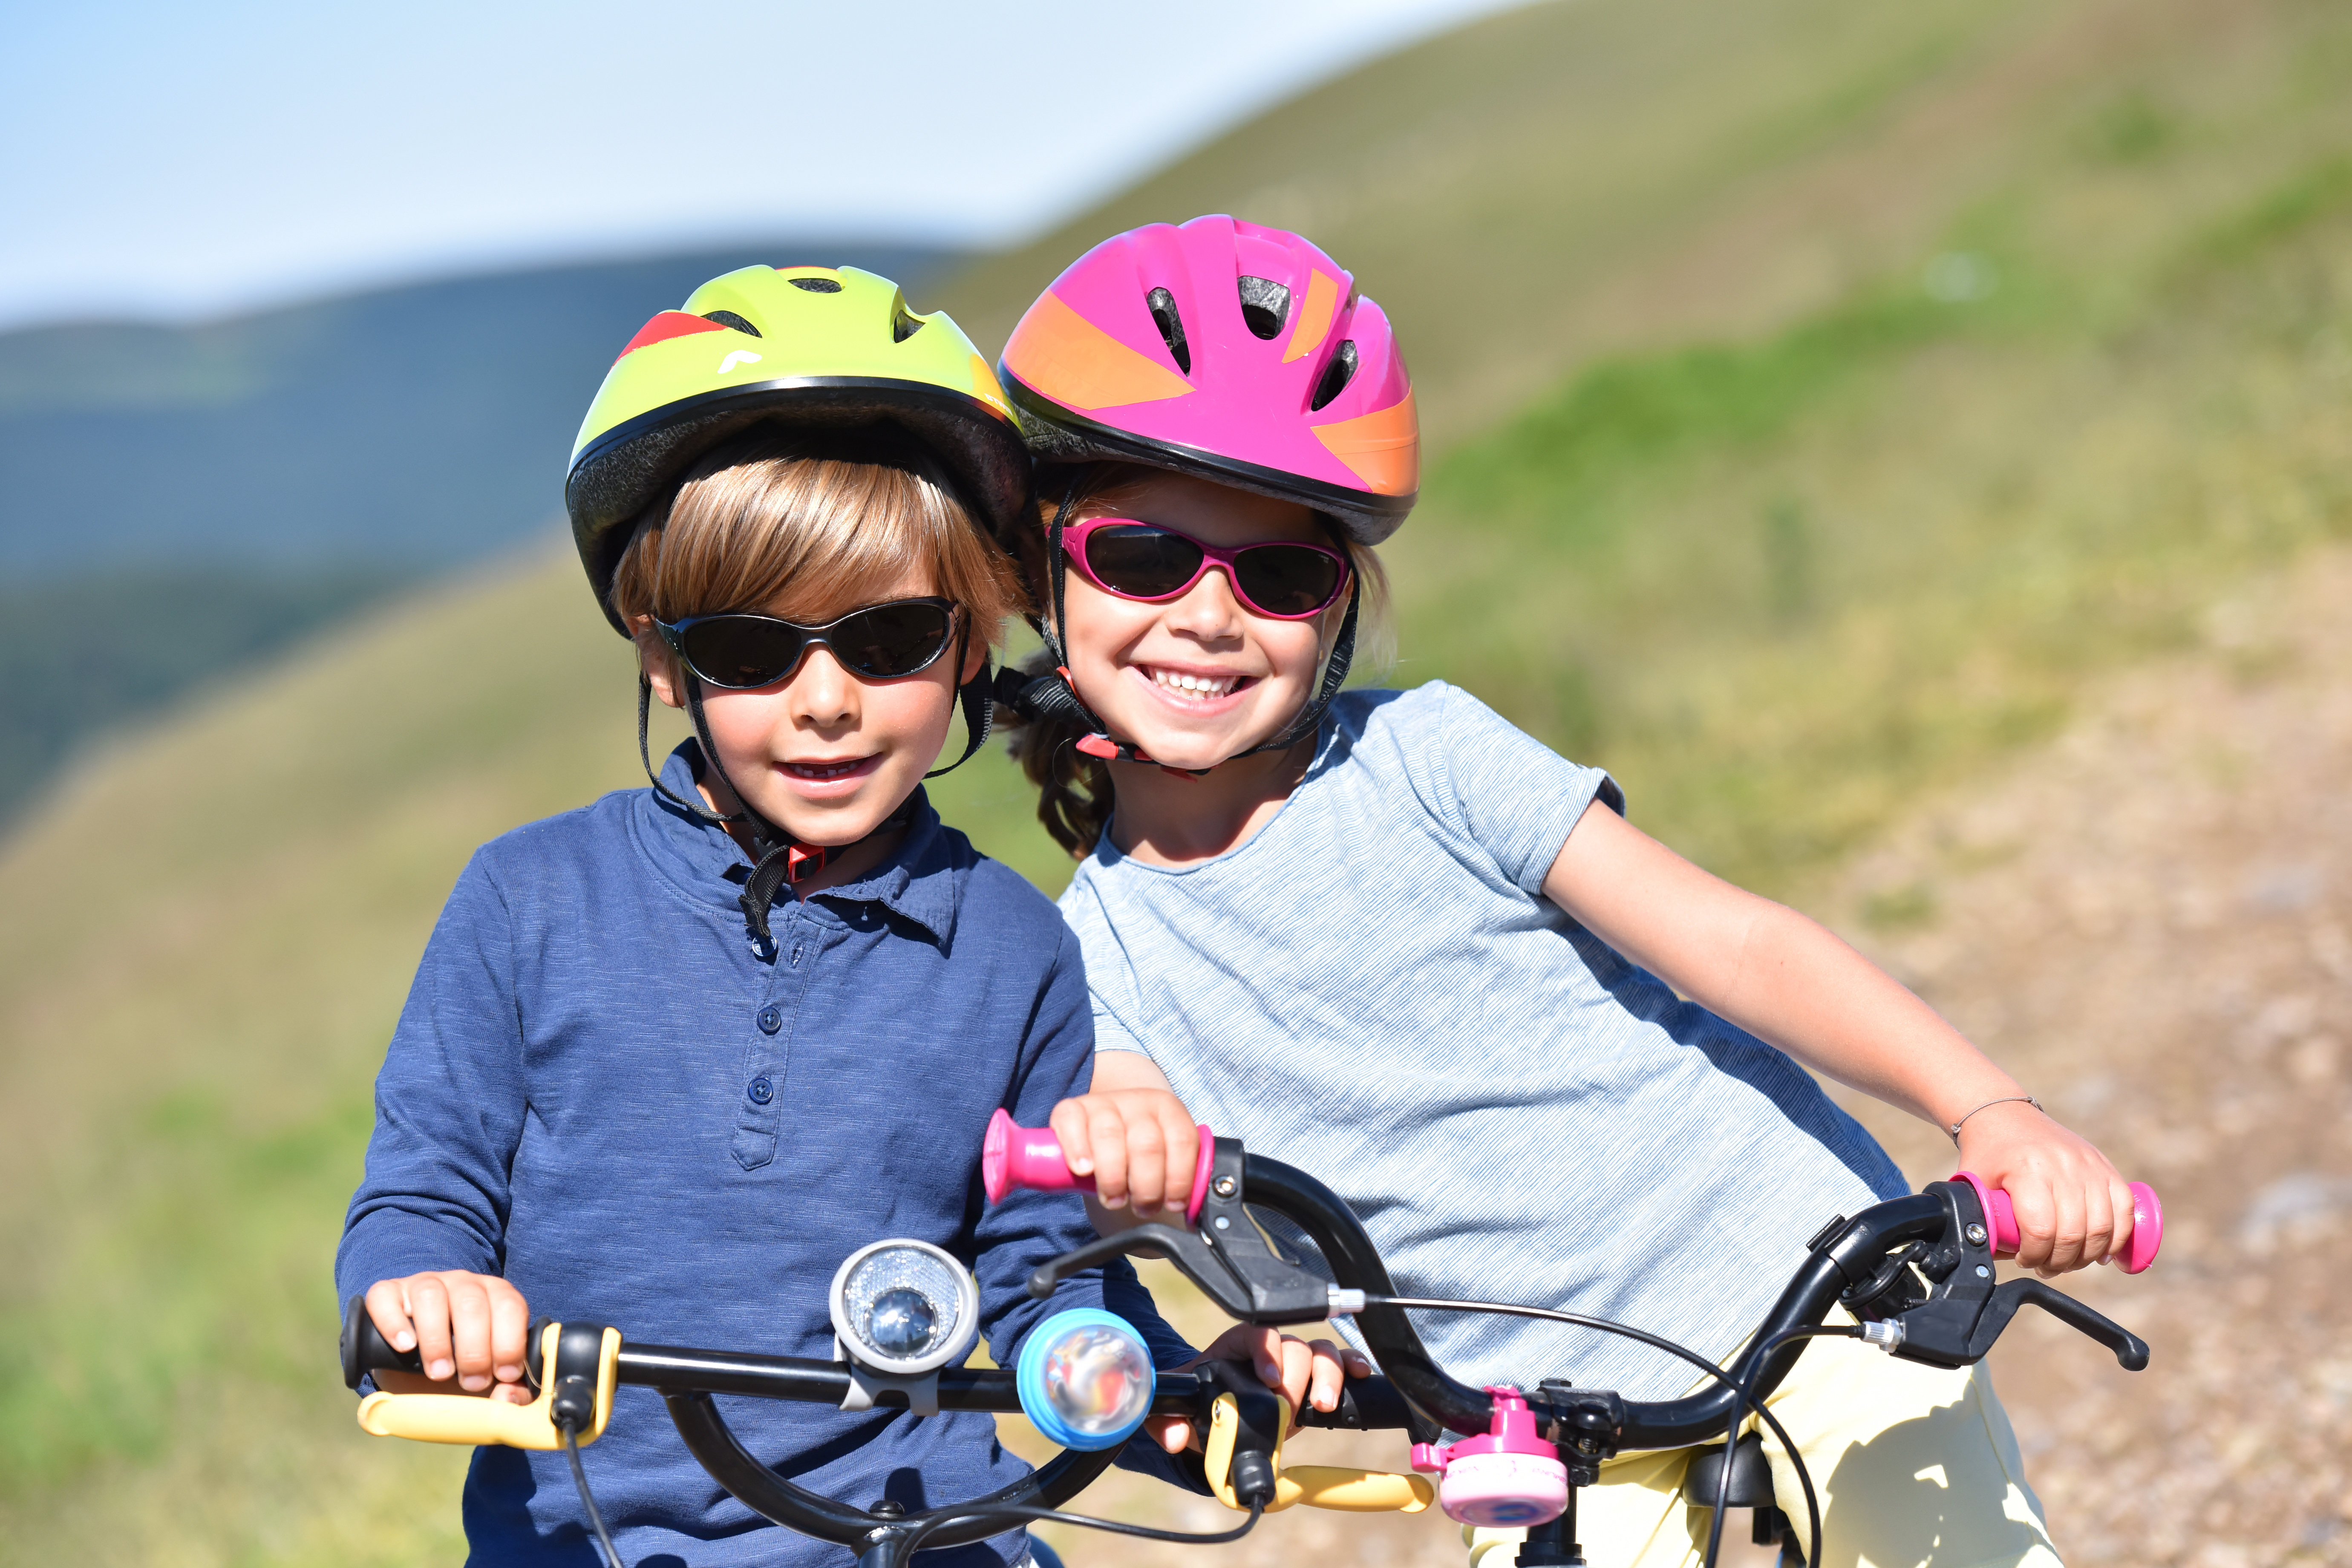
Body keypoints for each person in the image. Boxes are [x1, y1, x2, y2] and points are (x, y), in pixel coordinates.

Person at [991, 216, 2136, 1568]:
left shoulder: (1427, 755)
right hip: (1527, 1418)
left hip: (1812, 1283)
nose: (1208, 615)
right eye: (1142, 557)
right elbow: (1148, 1149)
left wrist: (1993, 1114)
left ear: (1341, 605)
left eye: (1283, 573)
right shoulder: (1094, 950)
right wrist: (1245, 1309)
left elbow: (1735, 945)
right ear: (1044, 572)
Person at [335, 264, 1283, 1568]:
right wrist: (422, 1295)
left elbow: (1038, 1282)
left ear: (969, 645)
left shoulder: (1012, 950)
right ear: (663, 659)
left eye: (889, 639)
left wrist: (1171, 1391)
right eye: (749, 650)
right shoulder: (528, 900)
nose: (824, 701)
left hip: (929, 1538)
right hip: (596, 1542)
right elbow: (424, 1191)